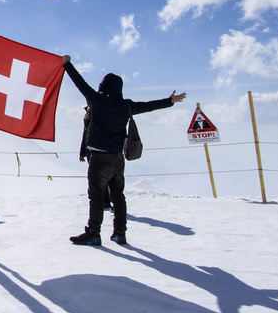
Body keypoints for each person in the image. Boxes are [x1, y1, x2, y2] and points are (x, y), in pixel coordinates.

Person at [62, 55, 186, 247]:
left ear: (103, 86)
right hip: (117, 158)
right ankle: (120, 233)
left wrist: (67, 64)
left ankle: (93, 233)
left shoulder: (97, 100)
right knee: (118, 195)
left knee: (96, 195)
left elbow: (80, 83)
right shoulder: (126, 106)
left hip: (98, 157)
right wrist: (169, 101)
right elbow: (149, 106)